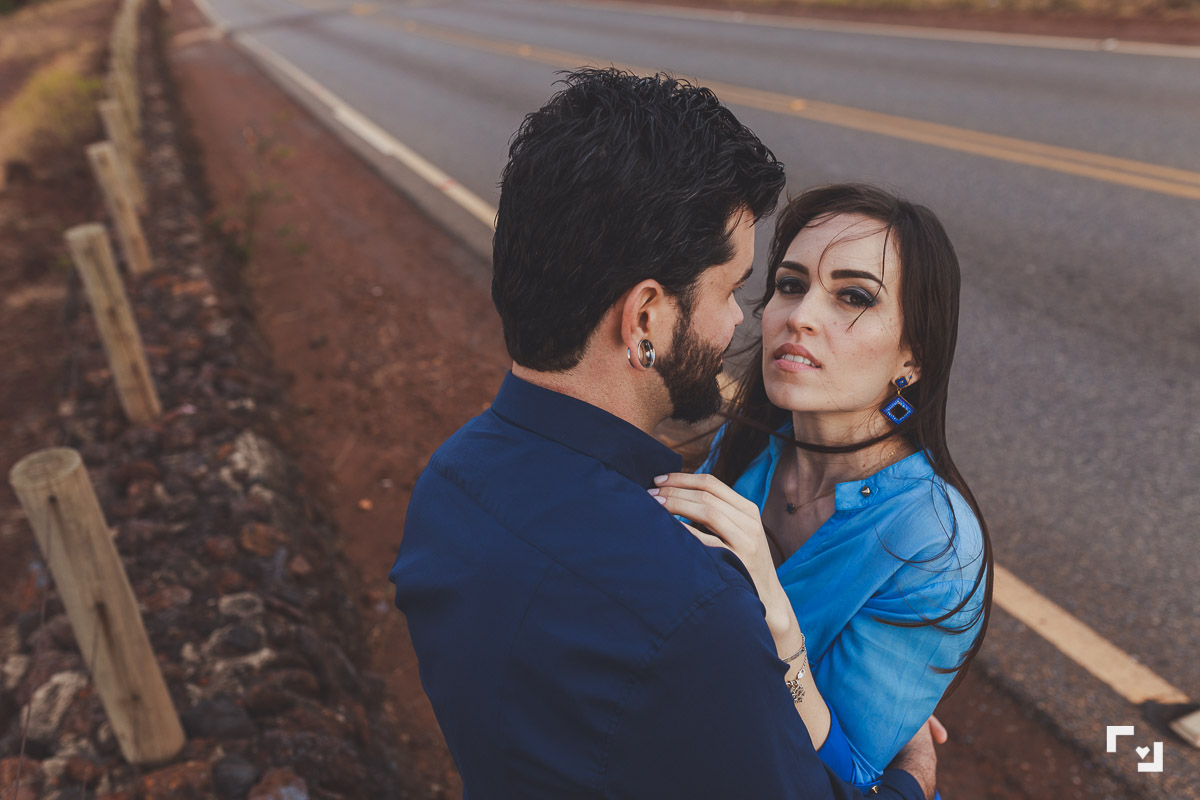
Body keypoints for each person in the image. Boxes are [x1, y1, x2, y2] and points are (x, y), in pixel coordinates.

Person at [389, 71, 938, 799]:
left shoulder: (448, 484)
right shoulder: (694, 611)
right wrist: (915, 781)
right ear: (645, 319)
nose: (740, 321)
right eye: (731, 289)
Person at [652, 183, 992, 792]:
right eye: (790, 283)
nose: (801, 315)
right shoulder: (751, 443)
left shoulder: (933, 545)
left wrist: (772, 615)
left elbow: (852, 778)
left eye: (853, 296)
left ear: (912, 356)